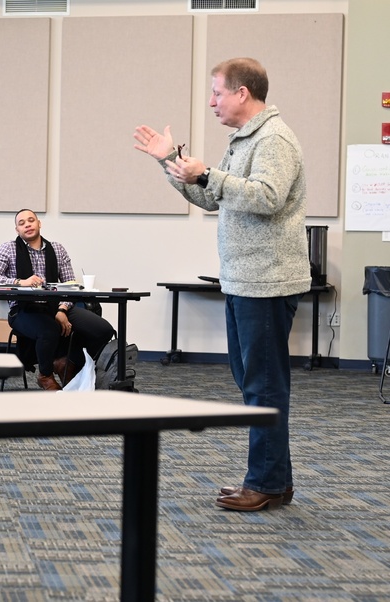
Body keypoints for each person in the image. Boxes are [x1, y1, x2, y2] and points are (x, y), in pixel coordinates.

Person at [133, 57, 310, 512]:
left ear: (242, 93)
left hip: (266, 282)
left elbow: (267, 197)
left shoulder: (274, 139)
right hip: (243, 280)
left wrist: (208, 172)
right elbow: (210, 196)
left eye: (217, 93)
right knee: (255, 383)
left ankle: (266, 483)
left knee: (263, 387)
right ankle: (274, 479)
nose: (211, 102)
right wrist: (171, 162)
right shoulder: (244, 139)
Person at [0, 209, 115, 391]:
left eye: (31, 220)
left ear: (39, 224)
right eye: (22, 223)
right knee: (49, 329)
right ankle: (45, 375)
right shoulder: (8, 248)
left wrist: (62, 310)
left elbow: (70, 286)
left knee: (103, 330)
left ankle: (66, 362)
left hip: (55, 307)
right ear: (17, 230)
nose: (27, 225)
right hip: (23, 310)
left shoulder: (57, 249)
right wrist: (20, 282)